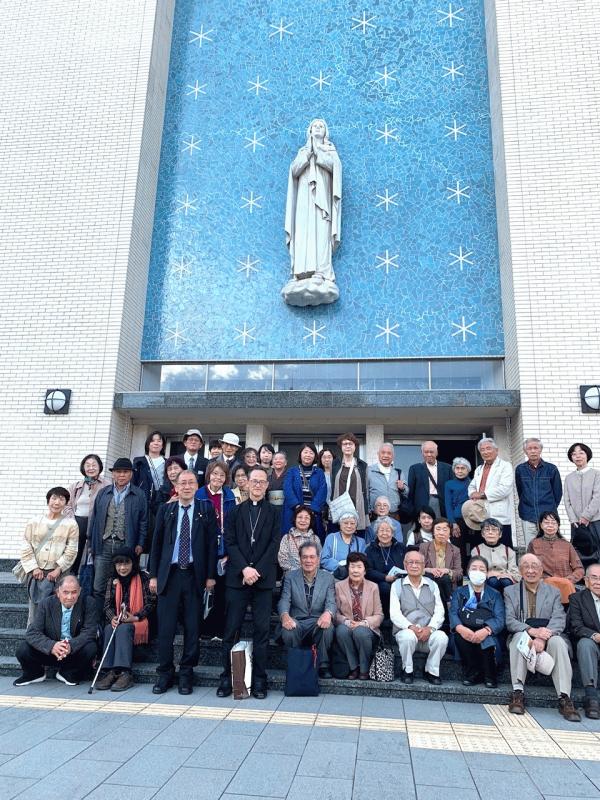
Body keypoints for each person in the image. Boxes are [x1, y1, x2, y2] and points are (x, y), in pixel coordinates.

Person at [149, 470, 218, 694]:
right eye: (183, 483)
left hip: (194, 576)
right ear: (176, 487)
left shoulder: (205, 509)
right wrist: (153, 575)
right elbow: (156, 544)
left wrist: (210, 576)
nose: (187, 487)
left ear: (197, 486)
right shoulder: (166, 510)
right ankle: (165, 672)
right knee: (166, 628)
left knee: (192, 627)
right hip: (169, 575)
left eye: (191, 483)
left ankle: (187, 673)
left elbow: (211, 545)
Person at [218, 466, 281, 699]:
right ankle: (227, 679)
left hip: (263, 581)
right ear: (246, 483)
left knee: (262, 631)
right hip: (238, 579)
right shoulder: (235, 511)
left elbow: (274, 543)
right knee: (231, 630)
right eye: (254, 481)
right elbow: (230, 542)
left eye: (262, 482)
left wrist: (257, 570)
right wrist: (245, 568)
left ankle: (260, 681)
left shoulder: (274, 512)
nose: (257, 485)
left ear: (267, 486)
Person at [504, 554, 580, 721]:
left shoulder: (553, 592)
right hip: (525, 633)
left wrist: (543, 637)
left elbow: (559, 618)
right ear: (520, 570)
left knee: (558, 642)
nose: (530, 570)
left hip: (548, 634)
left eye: (534, 566)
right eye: (526, 566)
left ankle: (564, 697)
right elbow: (510, 620)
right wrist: (532, 631)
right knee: (519, 638)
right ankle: (518, 692)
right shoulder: (510, 591)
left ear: (541, 570)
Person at [283, 118, 341, 305]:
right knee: (303, 233)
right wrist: (308, 153)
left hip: (322, 199)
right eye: (315, 126)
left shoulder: (330, 150)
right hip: (303, 199)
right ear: (309, 131)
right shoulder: (303, 151)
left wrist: (318, 152)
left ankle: (321, 271)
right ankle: (299, 272)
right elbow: (294, 170)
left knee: (321, 233)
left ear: (325, 132)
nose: (318, 128)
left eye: (321, 126)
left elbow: (335, 168)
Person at [88, 458, 147, 618]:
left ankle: (119, 620)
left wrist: (140, 543)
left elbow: (143, 521)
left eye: (125, 472)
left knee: (124, 585)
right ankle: (98, 623)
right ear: (113, 474)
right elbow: (94, 519)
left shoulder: (139, 494)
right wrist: (91, 543)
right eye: (118, 472)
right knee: (99, 586)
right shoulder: (103, 493)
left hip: (126, 545)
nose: (121, 475)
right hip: (103, 544)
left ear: (131, 474)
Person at [13, 575, 97, 687]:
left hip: (73, 652)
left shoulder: (88, 603)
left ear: (80, 591)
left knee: (90, 648)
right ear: (58, 592)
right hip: (51, 651)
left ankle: (68, 672)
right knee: (23, 649)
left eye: (74, 592)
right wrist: (52, 646)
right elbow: (32, 632)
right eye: (65, 592)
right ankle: (35, 673)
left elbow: (89, 631)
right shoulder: (46, 604)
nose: (70, 597)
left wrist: (71, 646)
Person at [94, 546, 156, 691]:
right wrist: (113, 618)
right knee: (109, 628)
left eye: (126, 563)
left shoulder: (144, 578)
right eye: (119, 564)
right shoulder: (113, 580)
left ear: (133, 563)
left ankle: (125, 673)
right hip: (120, 620)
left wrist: (135, 617)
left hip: (140, 621)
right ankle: (110, 671)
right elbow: (107, 605)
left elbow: (151, 603)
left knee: (123, 629)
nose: (122, 568)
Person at [18, 487, 79, 624]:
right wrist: (34, 567)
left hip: (59, 574)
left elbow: (71, 550)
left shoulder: (71, 524)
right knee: (35, 612)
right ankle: (33, 635)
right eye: (54, 498)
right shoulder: (34, 521)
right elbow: (26, 545)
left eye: (61, 499)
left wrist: (58, 569)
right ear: (48, 500)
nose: (57, 502)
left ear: (66, 503)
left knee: (57, 610)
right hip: (37, 574)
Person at [278, 543, 336, 678]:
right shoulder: (290, 577)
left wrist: (328, 613)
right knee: (288, 629)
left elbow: (331, 601)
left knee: (327, 627)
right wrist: (285, 616)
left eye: (312, 557)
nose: (308, 560)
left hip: (317, 621)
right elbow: (284, 600)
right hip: (297, 621)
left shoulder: (328, 578)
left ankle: (323, 665)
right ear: (300, 559)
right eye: (304, 557)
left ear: (318, 559)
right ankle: (295, 663)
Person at [390, 551, 448, 684]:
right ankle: (407, 670)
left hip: (427, 632)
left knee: (441, 637)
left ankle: (431, 671)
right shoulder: (397, 585)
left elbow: (440, 611)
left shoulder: (432, 585)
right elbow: (394, 613)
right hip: (406, 632)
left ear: (423, 565)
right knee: (408, 636)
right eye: (410, 562)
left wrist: (430, 628)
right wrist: (410, 627)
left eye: (418, 562)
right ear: (405, 565)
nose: (414, 565)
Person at [195, 461, 237, 639]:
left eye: (222, 475)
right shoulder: (199, 494)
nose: (218, 478)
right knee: (200, 590)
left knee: (221, 592)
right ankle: (201, 630)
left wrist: (229, 552)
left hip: (223, 548)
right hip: (203, 548)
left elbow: (233, 523)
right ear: (208, 475)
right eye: (215, 474)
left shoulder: (229, 495)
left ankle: (218, 630)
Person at [449, 555, 505, 688]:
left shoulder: (495, 594)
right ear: (468, 571)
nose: (478, 572)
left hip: (486, 630)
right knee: (461, 638)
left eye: (482, 569)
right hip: (464, 629)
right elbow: (453, 613)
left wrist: (486, 630)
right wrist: (461, 628)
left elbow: (500, 618)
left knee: (487, 639)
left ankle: (489, 674)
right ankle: (472, 673)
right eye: (474, 568)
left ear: (487, 573)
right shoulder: (459, 592)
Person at [334, 552, 384, 680]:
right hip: (347, 626)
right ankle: (353, 667)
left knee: (360, 632)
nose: (355, 570)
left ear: (365, 570)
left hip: (367, 629)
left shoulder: (373, 587)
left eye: (359, 567)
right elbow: (335, 613)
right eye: (352, 566)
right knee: (341, 631)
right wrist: (346, 621)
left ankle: (364, 669)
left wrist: (363, 623)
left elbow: (379, 615)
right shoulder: (338, 586)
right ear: (348, 568)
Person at [65, 454, 111, 575]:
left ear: (99, 467)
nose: (91, 468)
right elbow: (67, 505)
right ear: (83, 468)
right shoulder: (75, 486)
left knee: (93, 555)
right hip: (77, 523)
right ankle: (71, 578)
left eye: (94, 465)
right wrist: (72, 520)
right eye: (88, 465)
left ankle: (89, 580)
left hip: (97, 524)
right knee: (75, 553)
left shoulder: (107, 485)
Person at [527, 511, 584, 603]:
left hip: (565, 585)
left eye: (553, 523)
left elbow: (579, 569)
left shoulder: (566, 545)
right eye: (546, 522)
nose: (550, 525)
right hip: (543, 586)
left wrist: (569, 580)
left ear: (558, 526)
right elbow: (528, 567)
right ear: (541, 525)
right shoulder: (534, 544)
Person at [515, 438, 562, 547]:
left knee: (551, 547)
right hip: (527, 514)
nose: (533, 451)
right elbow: (520, 491)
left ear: (541, 449)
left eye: (536, 448)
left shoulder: (551, 469)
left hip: (548, 517)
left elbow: (558, 493)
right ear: (525, 451)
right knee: (531, 547)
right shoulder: (520, 469)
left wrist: (550, 509)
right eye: (529, 448)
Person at [468, 438, 515, 547]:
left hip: (499, 514)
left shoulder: (505, 466)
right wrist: (472, 494)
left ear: (496, 450)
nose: (485, 452)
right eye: (482, 450)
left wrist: (482, 494)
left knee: (503, 549)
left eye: (488, 448)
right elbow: (472, 486)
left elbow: (505, 488)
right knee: (482, 549)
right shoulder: (479, 469)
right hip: (481, 514)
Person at [568, 563, 600, 719]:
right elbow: (576, 626)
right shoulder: (577, 599)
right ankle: (591, 697)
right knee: (585, 644)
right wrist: (594, 635)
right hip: (591, 643)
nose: (598, 582)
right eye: (594, 578)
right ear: (586, 581)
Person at [564, 443, 600, 569]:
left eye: (581, 453)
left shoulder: (596, 474)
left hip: (595, 521)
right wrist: (573, 519)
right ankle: (582, 577)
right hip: (576, 524)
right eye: (574, 454)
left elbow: (597, 497)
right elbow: (567, 500)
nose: (578, 456)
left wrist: (586, 516)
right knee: (578, 553)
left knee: (597, 550)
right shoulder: (569, 478)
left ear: (587, 455)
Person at [282, 443, 328, 540]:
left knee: (314, 540)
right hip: (294, 512)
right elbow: (287, 489)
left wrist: (312, 509)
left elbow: (322, 491)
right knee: (292, 540)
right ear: (300, 454)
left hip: (313, 513)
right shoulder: (292, 471)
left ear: (315, 456)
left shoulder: (319, 472)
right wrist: (297, 506)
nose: (308, 455)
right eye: (305, 452)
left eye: (311, 453)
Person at [132, 430, 166, 557]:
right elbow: (133, 483)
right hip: (142, 502)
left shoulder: (167, 462)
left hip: (160, 503)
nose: (156, 443)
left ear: (163, 445)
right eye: (153, 440)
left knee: (157, 536)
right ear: (148, 444)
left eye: (159, 441)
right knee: (139, 535)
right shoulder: (139, 461)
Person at [365, 518, 406, 616]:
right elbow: (368, 571)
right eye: (381, 530)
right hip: (380, 581)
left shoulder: (400, 547)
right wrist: (385, 577)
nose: (384, 533)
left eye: (388, 530)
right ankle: (387, 616)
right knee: (385, 588)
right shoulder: (370, 549)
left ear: (392, 533)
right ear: (377, 533)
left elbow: (407, 564)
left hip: (400, 579)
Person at [330, 433, 369, 534]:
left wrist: (367, 510)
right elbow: (332, 487)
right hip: (340, 507)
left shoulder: (362, 465)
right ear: (341, 447)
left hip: (357, 507)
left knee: (358, 538)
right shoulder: (334, 464)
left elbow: (366, 489)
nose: (348, 446)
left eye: (350, 444)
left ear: (355, 446)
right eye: (345, 444)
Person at [419, 517, 462, 608]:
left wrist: (448, 571)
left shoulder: (455, 550)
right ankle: (448, 606)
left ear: (450, 533)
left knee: (444, 578)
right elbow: (417, 568)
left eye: (445, 530)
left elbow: (459, 573)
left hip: (448, 585)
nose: (441, 533)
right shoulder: (424, 547)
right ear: (433, 532)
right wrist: (429, 570)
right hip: (429, 584)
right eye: (438, 529)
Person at [444, 457, 476, 570]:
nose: (460, 471)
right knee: (458, 547)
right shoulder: (449, 484)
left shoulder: (473, 483)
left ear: (468, 470)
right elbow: (448, 505)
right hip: (457, 520)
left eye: (463, 468)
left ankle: (472, 570)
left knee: (473, 546)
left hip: (473, 519)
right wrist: (453, 523)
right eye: (457, 468)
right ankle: (460, 572)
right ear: (454, 470)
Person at [472, 517, 519, 592]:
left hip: (505, 581)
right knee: (492, 581)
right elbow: (474, 570)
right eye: (487, 529)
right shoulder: (476, 551)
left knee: (506, 581)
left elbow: (515, 573)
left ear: (500, 534)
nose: (490, 532)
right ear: (482, 534)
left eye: (494, 530)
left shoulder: (508, 551)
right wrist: (487, 574)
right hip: (486, 581)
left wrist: (501, 574)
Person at [407, 441, 452, 518]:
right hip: (421, 505)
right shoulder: (415, 469)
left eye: (431, 452)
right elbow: (411, 492)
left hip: (442, 505)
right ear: (422, 453)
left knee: (439, 524)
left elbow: (451, 490)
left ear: (437, 453)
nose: (429, 454)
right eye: (426, 452)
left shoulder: (447, 468)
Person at [367, 443, 409, 521]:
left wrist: (403, 488)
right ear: (378, 454)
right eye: (383, 453)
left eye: (389, 453)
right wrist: (368, 512)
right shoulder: (369, 471)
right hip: (375, 516)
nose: (386, 455)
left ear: (393, 456)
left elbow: (406, 493)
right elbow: (365, 494)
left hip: (394, 515)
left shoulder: (398, 472)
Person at [320, 510, 366, 577]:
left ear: (356, 526)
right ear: (340, 524)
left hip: (354, 577)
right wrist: (340, 565)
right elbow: (324, 560)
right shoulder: (331, 538)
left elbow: (363, 562)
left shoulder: (361, 542)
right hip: (334, 576)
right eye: (346, 523)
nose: (349, 526)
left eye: (352, 523)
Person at [278, 505, 322, 574]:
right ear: (295, 519)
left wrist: (310, 572)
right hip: (291, 576)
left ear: (311, 521)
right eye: (300, 517)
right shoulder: (287, 538)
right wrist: (298, 574)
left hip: (312, 576)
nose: (303, 520)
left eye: (306, 518)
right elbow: (283, 559)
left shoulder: (315, 539)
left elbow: (319, 559)